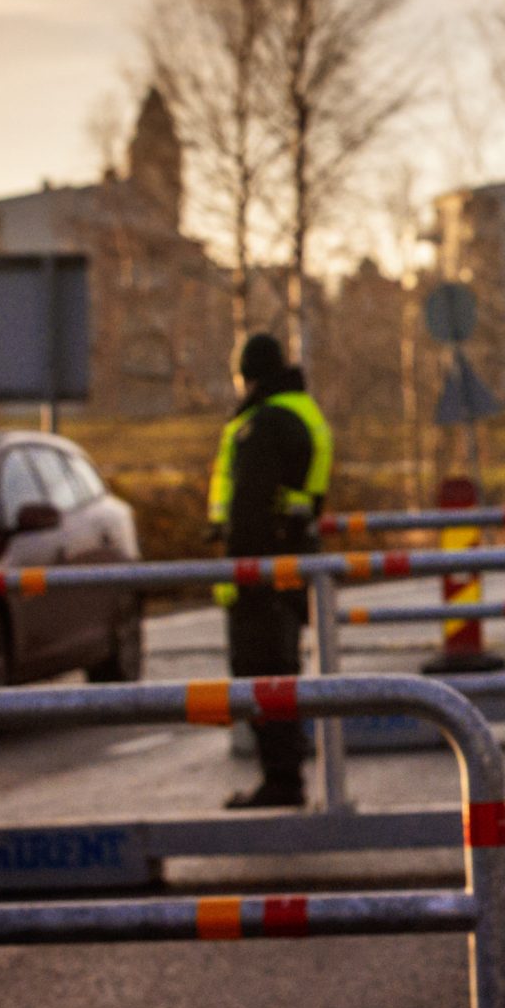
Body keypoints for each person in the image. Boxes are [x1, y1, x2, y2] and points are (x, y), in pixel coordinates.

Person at [210, 331, 333, 809]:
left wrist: (240, 573)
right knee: (281, 667)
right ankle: (288, 769)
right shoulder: (303, 412)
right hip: (292, 559)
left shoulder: (264, 425)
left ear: (250, 375)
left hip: (262, 570)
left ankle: (282, 781)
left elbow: (250, 509)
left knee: (261, 672)